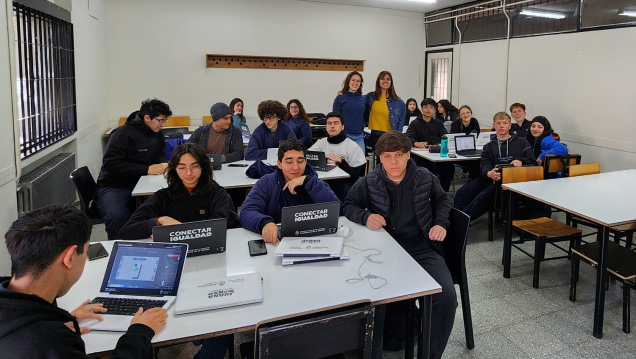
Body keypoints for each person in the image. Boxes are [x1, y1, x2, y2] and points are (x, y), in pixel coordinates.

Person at [342, 131, 455, 359]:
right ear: (379, 158)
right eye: (386, 156)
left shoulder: (425, 177)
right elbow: (348, 205)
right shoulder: (369, 181)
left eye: (399, 155)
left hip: (422, 248)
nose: (393, 162)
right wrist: (365, 216)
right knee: (374, 298)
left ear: (408, 155)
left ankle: (430, 355)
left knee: (446, 297)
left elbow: (444, 199)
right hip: (384, 252)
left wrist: (441, 223)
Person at [0, 205, 167, 358]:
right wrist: (140, 332)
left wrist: (58, 320)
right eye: (86, 251)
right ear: (70, 257)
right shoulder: (52, 343)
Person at [119, 142, 239, 239]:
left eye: (195, 166)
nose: (189, 173)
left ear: (203, 167)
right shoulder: (163, 196)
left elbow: (217, 228)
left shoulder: (218, 194)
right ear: (174, 169)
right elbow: (126, 231)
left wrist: (172, 233)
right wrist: (158, 221)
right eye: (182, 167)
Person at [95, 98, 171, 240]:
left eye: (165, 120)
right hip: (115, 186)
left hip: (144, 183)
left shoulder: (157, 134)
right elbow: (111, 164)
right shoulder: (122, 133)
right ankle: (118, 246)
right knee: (117, 217)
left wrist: (163, 163)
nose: (163, 124)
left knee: (163, 210)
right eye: (160, 120)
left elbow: (159, 155)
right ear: (147, 118)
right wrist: (146, 169)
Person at [240, 139, 339, 244]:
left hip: (312, 240)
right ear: (279, 163)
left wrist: (309, 183)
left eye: (300, 161)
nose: (295, 167)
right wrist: (264, 222)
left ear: (305, 161)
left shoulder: (315, 183)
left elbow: (336, 209)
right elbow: (247, 212)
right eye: (289, 162)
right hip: (277, 241)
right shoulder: (266, 183)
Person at [454, 112, 537, 221]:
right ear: (494, 125)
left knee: (481, 199)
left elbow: (533, 162)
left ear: (510, 125)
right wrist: (489, 173)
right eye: (498, 123)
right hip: (491, 178)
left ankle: (459, 223)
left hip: (511, 181)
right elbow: (484, 165)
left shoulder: (522, 142)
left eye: (505, 123)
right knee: (461, 193)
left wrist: (520, 160)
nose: (501, 126)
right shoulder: (488, 146)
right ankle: (456, 219)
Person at [309, 111, 367, 196]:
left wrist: (341, 161)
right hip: (323, 182)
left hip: (344, 184)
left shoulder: (352, 146)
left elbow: (355, 175)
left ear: (342, 126)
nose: (332, 126)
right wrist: (326, 160)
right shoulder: (321, 142)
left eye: (336, 123)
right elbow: (309, 159)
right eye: (329, 123)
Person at [406, 98, 454, 192]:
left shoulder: (438, 123)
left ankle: (442, 192)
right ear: (422, 109)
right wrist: (416, 142)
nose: (428, 109)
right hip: (420, 155)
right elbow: (408, 137)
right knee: (423, 167)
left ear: (434, 110)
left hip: (436, 153)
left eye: (431, 107)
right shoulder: (415, 123)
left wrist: (428, 142)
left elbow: (444, 137)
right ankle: (425, 192)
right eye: (425, 107)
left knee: (449, 167)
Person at [333, 71, 368, 153]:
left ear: (360, 84)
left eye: (358, 81)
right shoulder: (340, 98)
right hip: (344, 135)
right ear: (348, 81)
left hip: (359, 135)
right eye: (353, 80)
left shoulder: (363, 99)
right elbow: (335, 117)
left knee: (360, 162)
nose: (355, 83)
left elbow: (366, 116)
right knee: (344, 162)